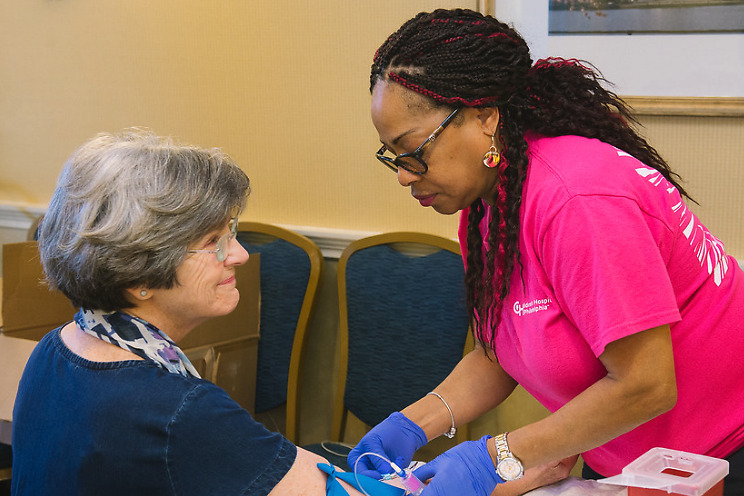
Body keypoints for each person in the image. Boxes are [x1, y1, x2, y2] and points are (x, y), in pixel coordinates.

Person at [349, 8, 744, 496]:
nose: (405, 174)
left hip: (724, 454)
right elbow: (503, 349)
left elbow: (646, 384)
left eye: (414, 150)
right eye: (393, 156)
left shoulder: (577, 200)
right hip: (635, 459)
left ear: (485, 116)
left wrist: (494, 459)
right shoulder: (492, 199)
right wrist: (413, 424)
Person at [10, 129, 400, 496]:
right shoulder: (177, 412)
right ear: (136, 273)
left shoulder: (55, 348)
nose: (240, 255)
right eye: (213, 241)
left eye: (231, 233)